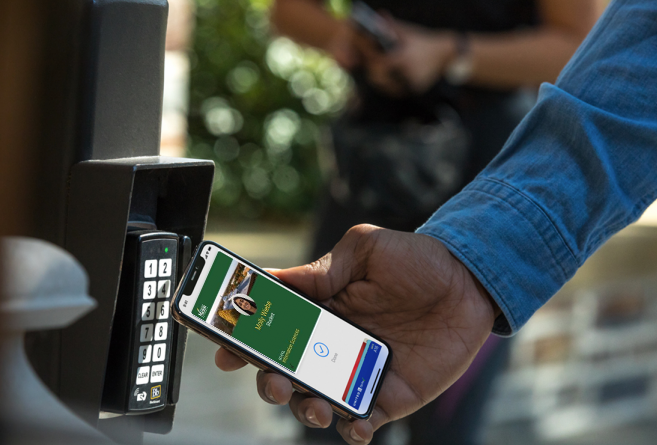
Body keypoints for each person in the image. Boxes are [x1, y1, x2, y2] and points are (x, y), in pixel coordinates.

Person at [217, 0, 657, 444]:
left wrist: (451, 53)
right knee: (325, 403)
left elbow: (590, 49)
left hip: (486, 180)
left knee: (446, 423)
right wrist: (345, 38)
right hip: (374, 169)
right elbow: (288, 11)